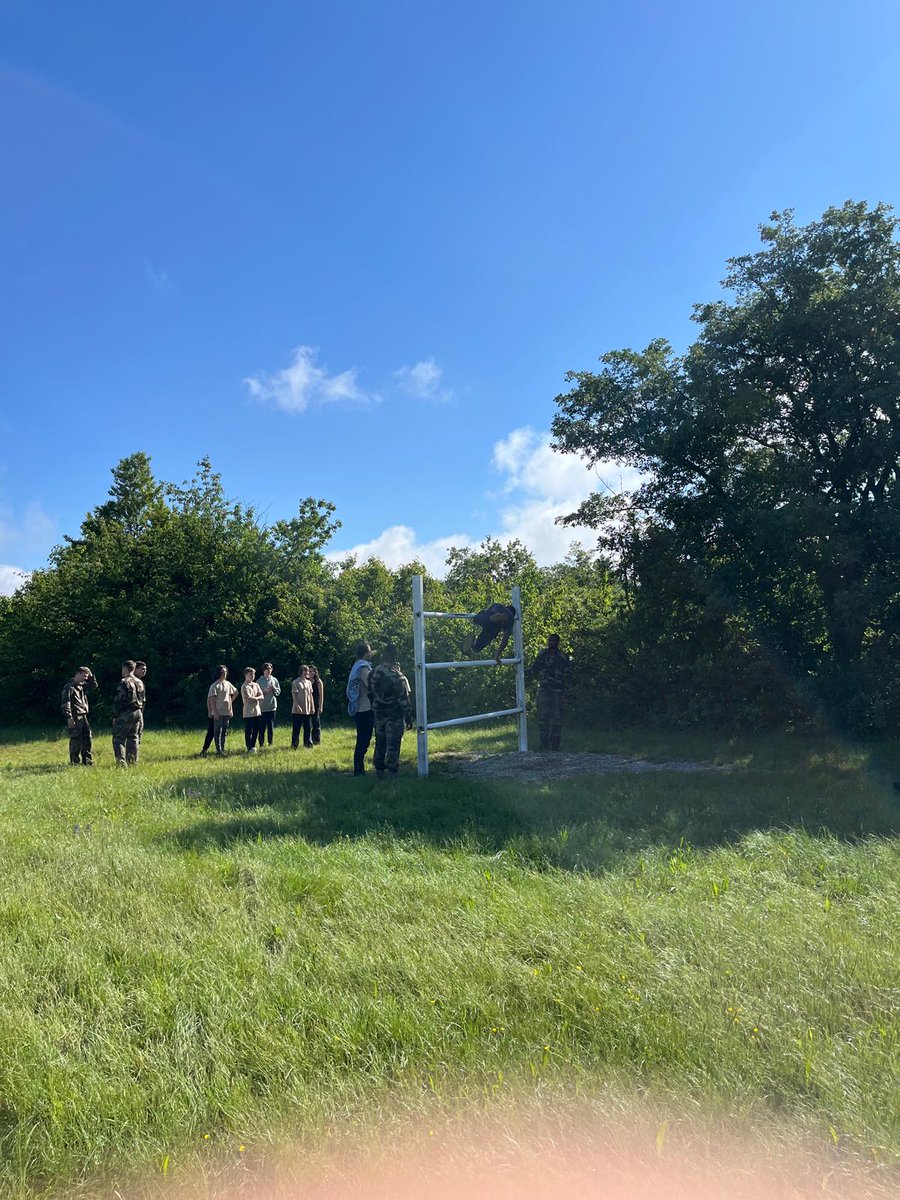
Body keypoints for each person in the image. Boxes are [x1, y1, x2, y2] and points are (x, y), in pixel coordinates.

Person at [369, 643, 413, 777]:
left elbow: (370, 691)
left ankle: (379, 768)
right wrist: (408, 715)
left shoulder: (375, 671)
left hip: (379, 712)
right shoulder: (397, 676)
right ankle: (392, 770)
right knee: (393, 743)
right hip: (394, 713)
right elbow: (403, 698)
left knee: (380, 742)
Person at [526, 634, 572, 751]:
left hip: (557, 690)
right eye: (549, 640)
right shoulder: (542, 655)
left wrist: (566, 692)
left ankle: (555, 745)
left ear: (557, 642)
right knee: (542, 717)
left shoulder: (562, 657)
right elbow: (535, 668)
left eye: (553, 641)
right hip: (544, 689)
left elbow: (568, 675)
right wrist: (525, 673)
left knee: (557, 718)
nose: (550, 643)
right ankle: (544, 744)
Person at [346, 641, 374, 776]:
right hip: (365, 708)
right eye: (369, 651)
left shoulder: (355, 666)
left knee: (362, 738)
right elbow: (371, 684)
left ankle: (359, 768)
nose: (371, 653)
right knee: (364, 739)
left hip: (360, 708)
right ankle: (359, 769)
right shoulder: (363, 667)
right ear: (365, 653)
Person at [61, 666, 97, 766]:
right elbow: (66, 703)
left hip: (83, 715)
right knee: (76, 740)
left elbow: (94, 686)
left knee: (87, 738)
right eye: (85, 676)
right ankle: (75, 762)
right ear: (78, 674)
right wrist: (69, 718)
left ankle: (87, 761)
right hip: (75, 716)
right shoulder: (69, 687)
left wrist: (91, 677)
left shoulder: (82, 686)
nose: (86, 679)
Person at [112, 660, 142, 767]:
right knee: (133, 738)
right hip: (138, 711)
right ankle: (132, 762)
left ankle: (121, 762)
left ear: (125, 668)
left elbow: (119, 700)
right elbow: (143, 699)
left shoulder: (124, 682)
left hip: (126, 712)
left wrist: (115, 715)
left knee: (118, 739)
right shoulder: (139, 682)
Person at [207, 665, 238, 756]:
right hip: (218, 711)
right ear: (219, 673)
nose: (225, 674)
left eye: (225, 672)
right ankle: (218, 750)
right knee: (217, 731)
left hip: (226, 711)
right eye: (223, 672)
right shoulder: (215, 685)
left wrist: (230, 703)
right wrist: (214, 712)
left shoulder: (228, 684)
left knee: (224, 731)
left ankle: (223, 749)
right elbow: (212, 700)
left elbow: (235, 692)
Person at [290, 665, 314, 749]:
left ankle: (308, 744)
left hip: (307, 708)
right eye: (306, 671)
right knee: (296, 728)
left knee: (308, 727)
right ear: (301, 671)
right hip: (298, 709)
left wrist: (312, 707)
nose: (307, 673)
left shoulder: (309, 683)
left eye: (308, 671)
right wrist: (297, 705)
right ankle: (294, 745)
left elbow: (310, 695)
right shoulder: (295, 682)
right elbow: (294, 695)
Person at [241, 667, 264, 753]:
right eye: (250, 674)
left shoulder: (256, 685)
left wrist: (255, 698)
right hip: (248, 711)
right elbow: (247, 699)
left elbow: (262, 696)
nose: (252, 676)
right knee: (249, 730)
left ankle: (253, 745)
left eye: (253, 674)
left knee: (256, 729)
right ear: (246, 675)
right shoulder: (244, 686)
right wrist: (257, 697)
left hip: (257, 711)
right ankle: (248, 746)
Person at [258, 662, 281, 747]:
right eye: (267, 669)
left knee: (271, 727)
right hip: (262, 707)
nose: (268, 671)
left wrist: (274, 689)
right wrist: (264, 691)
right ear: (263, 670)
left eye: (270, 669)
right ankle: (261, 743)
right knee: (261, 727)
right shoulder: (259, 681)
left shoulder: (274, 680)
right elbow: (256, 693)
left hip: (272, 707)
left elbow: (278, 692)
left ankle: (270, 743)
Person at [308, 664, 324, 745]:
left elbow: (321, 695)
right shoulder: (305, 681)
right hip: (307, 705)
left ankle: (316, 740)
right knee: (308, 724)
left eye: (313, 671)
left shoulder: (318, 681)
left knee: (316, 723)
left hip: (316, 704)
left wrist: (321, 706)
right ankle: (308, 740)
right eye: (309, 671)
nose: (311, 673)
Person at [134, 660, 148, 750]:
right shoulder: (132, 681)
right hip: (133, 711)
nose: (144, 671)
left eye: (145, 669)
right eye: (142, 669)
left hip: (139, 711)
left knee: (139, 732)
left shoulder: (140, 681)